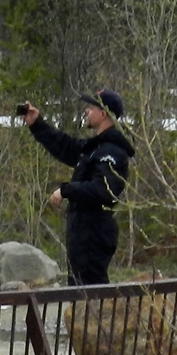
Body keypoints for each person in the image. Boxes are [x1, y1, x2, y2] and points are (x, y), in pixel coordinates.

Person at [16, 89, 135, 285]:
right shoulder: (95, 147)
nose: (86, 111)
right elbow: (66, 146)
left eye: (91, 107)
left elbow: (102, 189)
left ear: (103, 113)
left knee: (90, 296)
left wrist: (66, 190)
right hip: (83, 233)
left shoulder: (112, 151)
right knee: (80, 294)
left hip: (94, 232)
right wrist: (37, 124)